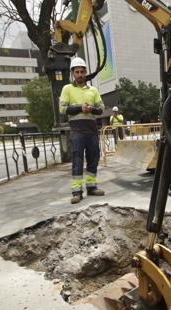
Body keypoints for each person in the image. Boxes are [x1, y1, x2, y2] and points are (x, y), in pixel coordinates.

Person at [59, 57, 105, 204]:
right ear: (73, 73)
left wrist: (92, 109)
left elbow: (101, 109)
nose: (79, 74)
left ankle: (91, 187)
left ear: (85, 73)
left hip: (91, 131)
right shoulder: (67, 89)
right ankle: (77, 191)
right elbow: (62, 109)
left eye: (82, 71)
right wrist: (80, 108)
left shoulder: (93, 90)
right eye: (77, 72)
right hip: (77, 131)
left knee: (94, 157)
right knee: (77, 160)